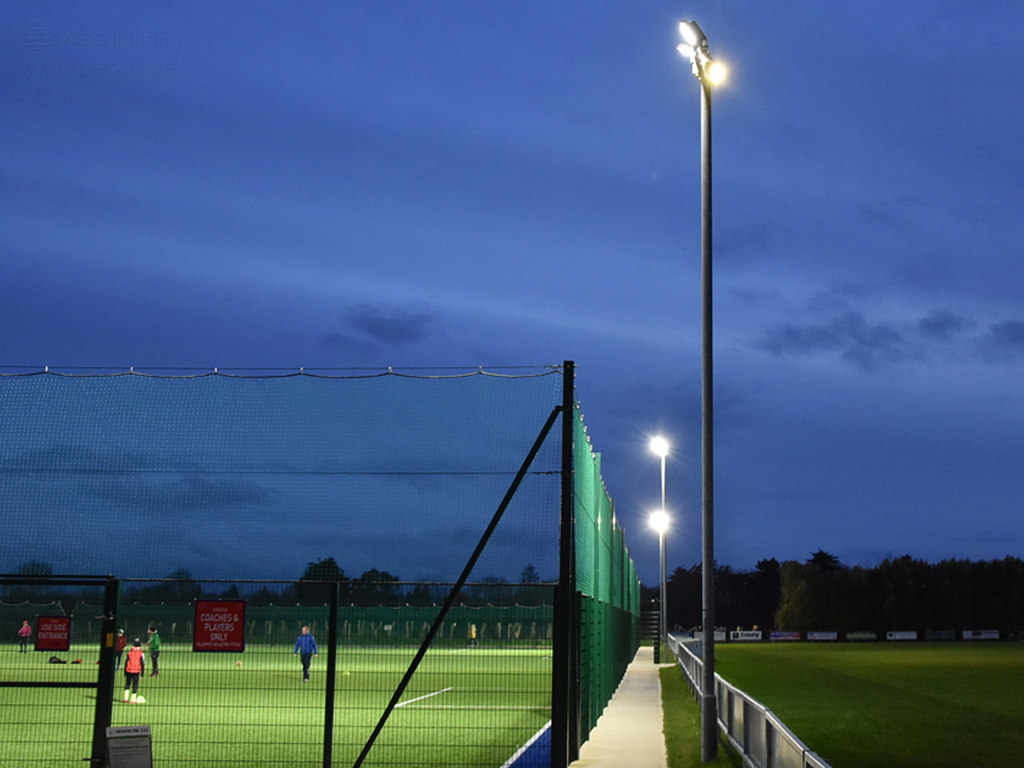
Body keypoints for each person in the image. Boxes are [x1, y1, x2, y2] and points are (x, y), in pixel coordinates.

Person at [123, 638, 145, 704]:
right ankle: (133, 700)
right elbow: (142, 664)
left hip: (129, 670)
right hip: (136, 671)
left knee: (127, 684)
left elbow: (126, 662)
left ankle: (125, 698)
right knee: (135, 685)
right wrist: (142, 674)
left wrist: (125, 671)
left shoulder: (129, 652)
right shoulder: (141, 653)